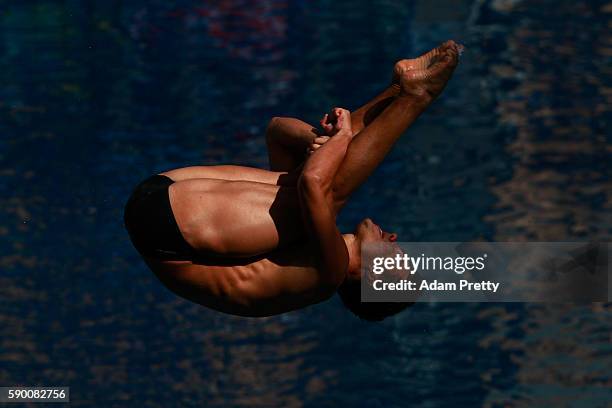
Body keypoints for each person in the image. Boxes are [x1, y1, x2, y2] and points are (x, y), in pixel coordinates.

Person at [124, 40, 462, 320]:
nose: (394, 238)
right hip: (161, 197)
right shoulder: (292, 239)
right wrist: (314, 141)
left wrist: (341, 138)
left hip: (170, 231)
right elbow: (277, 131)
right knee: (321, 177)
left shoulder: (329, 273)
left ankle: (417, 96)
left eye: (398, 260)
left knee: (326, 190)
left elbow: (315, 185)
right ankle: (399, 88)